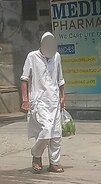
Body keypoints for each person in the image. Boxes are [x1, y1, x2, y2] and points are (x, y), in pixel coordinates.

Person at [20, 32, 66, 174]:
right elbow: (24, 79)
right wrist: (25, 100)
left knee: (56, 134)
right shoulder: (32, 56)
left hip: (54, 101)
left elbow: (60, 79)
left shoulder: (57, 56)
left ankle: (54, 163)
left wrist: (62, 96)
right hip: (39, 102)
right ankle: (36, 155)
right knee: (46, 130)